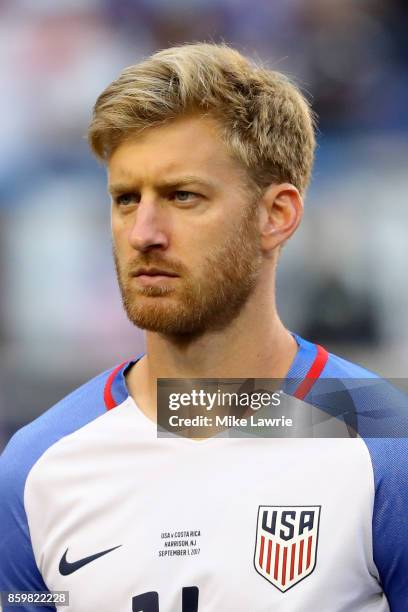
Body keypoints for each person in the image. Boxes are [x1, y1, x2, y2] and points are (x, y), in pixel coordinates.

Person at [0, 42, 407, 612]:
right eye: (125, 199)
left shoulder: (387, 445)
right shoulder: (36, 465)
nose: (144, 233)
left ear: (277, 215)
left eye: (182, 196)